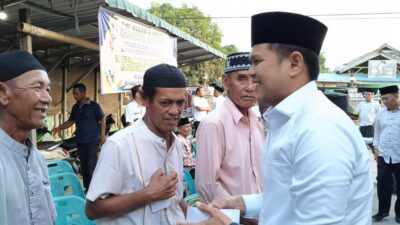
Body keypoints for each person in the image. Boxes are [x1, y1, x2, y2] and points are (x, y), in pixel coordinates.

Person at [180, 11, 372, 225]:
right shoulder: (287, 119)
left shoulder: (319, 128)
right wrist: (239, 202)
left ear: (294, 64)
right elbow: (283, 199)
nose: (252, 74)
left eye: (257, 62)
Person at [85, 64, 188, 225]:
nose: (175, 110)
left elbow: (175, 199)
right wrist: (147, 194)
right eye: (165, 103)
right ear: (144, 98)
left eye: (180, 103)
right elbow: (92, 209)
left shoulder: (176, 143)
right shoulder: (119, 145)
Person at [195, 52, 264, 207]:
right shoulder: (214, 124)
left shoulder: (256, 121)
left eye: (256, 80)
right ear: (226, 82)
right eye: (241, 79)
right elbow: (207, 187)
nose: (250, 88)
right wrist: (237, 216)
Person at [0, 50, 56, 225]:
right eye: (37, 87)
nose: (48, 98)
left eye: (48, 89)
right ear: (2, 93)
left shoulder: (37, 160)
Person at [52, 83, 106, 191]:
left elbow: (103, 118)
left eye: (76, 93)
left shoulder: (94, 106)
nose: (74, 96)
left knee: (91, 166)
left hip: (92, 140)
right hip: (80, 141)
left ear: (83, 93)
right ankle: (87, 188)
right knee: (84, 166)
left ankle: (95, 189)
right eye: (73, 94)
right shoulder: (75, 107)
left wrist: (103, 135)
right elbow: (71, 121)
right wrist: (59, 128)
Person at [372, 85, 400, 223]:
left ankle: (399, 213)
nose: (384, 101)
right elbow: (377, 132)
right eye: (382, 99)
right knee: (383, 183)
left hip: (399, 154)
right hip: (384, 154)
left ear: (396, 96)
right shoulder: (381, 113)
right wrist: (375, 147)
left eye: (386, 98)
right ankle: (382, 211)